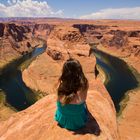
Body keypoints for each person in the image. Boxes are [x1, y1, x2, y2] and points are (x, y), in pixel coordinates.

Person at [54, 58, 89, 131]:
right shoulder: (84, 85)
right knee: (85, 104)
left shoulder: (59, 85)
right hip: (79, 120)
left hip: (62, 119)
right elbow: (84, 99)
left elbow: (57, 100)